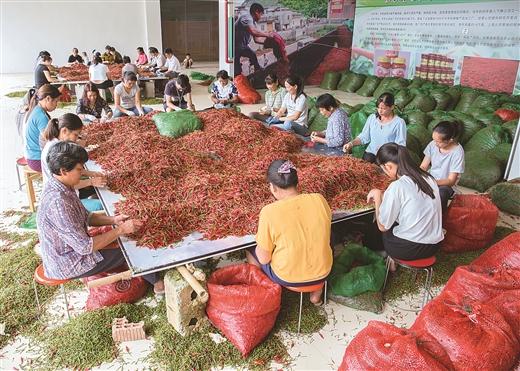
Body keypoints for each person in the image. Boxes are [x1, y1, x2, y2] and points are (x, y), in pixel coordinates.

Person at [37, 141, 164, 295]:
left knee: (124, 238)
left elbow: (86, 217)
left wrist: (113, 220)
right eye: (79, 169)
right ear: (63, 171)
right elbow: (85, 247)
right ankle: (158, 283)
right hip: (69, 262)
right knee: (131, 251)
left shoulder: (60, 185)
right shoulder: (58, 203)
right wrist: (121, 229)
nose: (82, 171)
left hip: (71, 250)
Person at [246, 159, 332, 305]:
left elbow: (264, 259)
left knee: (251, 250)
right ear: (296, 181)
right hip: (323, 273)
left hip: (290, 279)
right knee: (325, 239)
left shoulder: (269, 212)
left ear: (272, 188)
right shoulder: (320, 199)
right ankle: (316, 296)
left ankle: (263, 296)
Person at [366, 143, 443, 262]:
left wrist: (377, 197)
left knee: (378, 226)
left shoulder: (398, 186)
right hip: (434, 245)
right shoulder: (429, 178)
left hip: (410, 249)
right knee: (395, 218)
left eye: (383, 169)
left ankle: (385, 256)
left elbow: (382, 226)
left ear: (388, 166)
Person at [40, 114, 106, 212]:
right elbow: (67, 182)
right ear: (64, 131)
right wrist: (91, 181)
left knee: (102, 187)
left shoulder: (57, 144)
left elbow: (71, 169)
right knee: (102, 205)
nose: (76, 139)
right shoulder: (57, 151)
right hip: (64, 199)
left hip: (68, 190)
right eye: (76, 135)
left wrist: (91, 174)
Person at [343, 93, 406, 163]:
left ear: (392, 107)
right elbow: (364, 137)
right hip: (370, 154)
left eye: (383, 108)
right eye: (378, 108)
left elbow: (401, 146)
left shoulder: (399, 122)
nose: (380, 111)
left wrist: (385, 150)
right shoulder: (372, 118)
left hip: (386, 158)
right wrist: (351, 144)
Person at [420, 121, 465, 212]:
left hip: (446, 185)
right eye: (434, 140)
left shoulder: (457, 152)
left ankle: (440, 219)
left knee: (441, 194)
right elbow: (423, 166)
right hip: (431, 179)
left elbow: (451, 181)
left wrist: (432, 182)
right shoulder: (433, 144)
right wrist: (418, 176)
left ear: (450, 140)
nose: (435, 144)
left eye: (438, 142)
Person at [24, 85, 61, 172]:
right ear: (48, 98)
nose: (57, 105)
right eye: (56, 101)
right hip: (37, 160)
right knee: (70, 162)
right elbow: (50, 142)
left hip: (31, 155)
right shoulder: (41, 116)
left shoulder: (36, 109)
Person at [234, 3, 271, 76]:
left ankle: (257, 72)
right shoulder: (246, 17)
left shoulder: (253, 23)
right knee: (237, 70)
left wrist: (268, 43)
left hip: (242, 46)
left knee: (253, 55)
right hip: (234, 46)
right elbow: (253, 32)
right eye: (261, 14)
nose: (261, 17)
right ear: (256, 12)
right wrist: (267, 35)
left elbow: (256, 40)